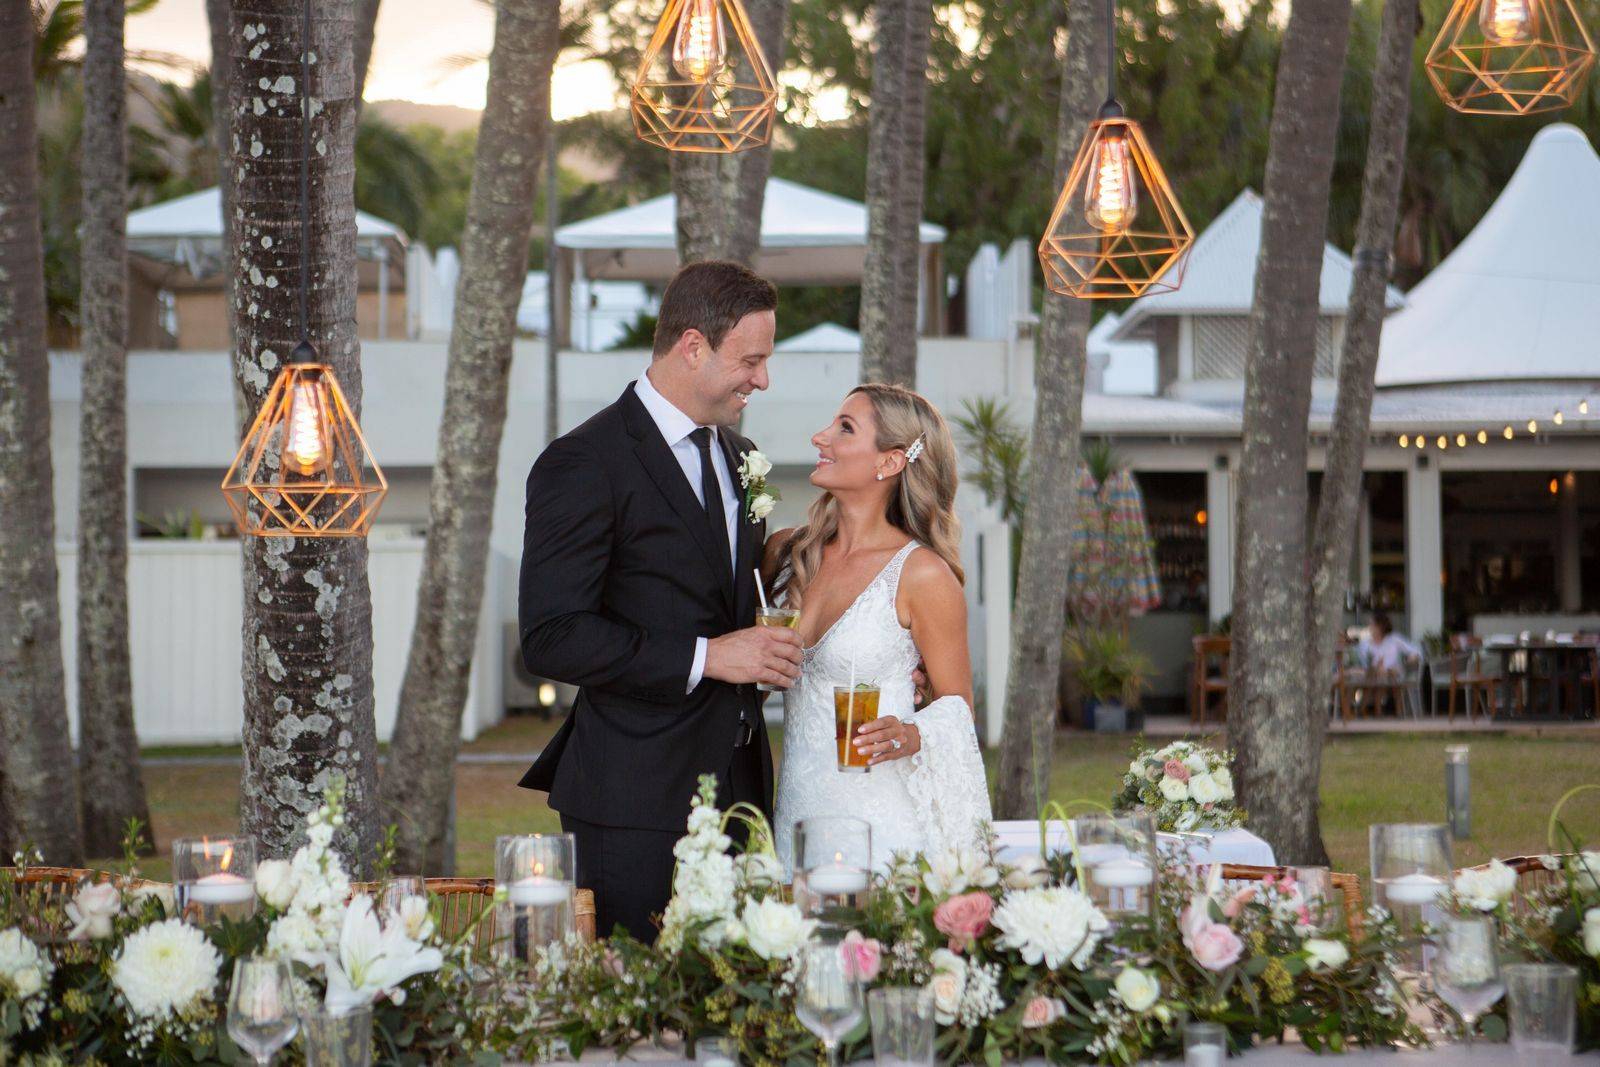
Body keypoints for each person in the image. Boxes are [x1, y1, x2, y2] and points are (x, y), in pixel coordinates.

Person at [517, 260, 802, 941]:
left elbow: (714, 596)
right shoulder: (585, 462)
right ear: (693, 346)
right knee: (638, 996)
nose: (762, 380)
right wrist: (709, 656)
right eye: (751, 361)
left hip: (742, 793)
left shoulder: (741, 455)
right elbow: (552, 635)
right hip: (634, 801)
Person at [764, 383, 992, 876]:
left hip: (882, 826)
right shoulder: (786, 553)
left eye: (845, 428)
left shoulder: (922, 574)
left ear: (889, 462)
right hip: (797, 815)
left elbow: (958, 707)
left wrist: (912, 733)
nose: (820, 437)